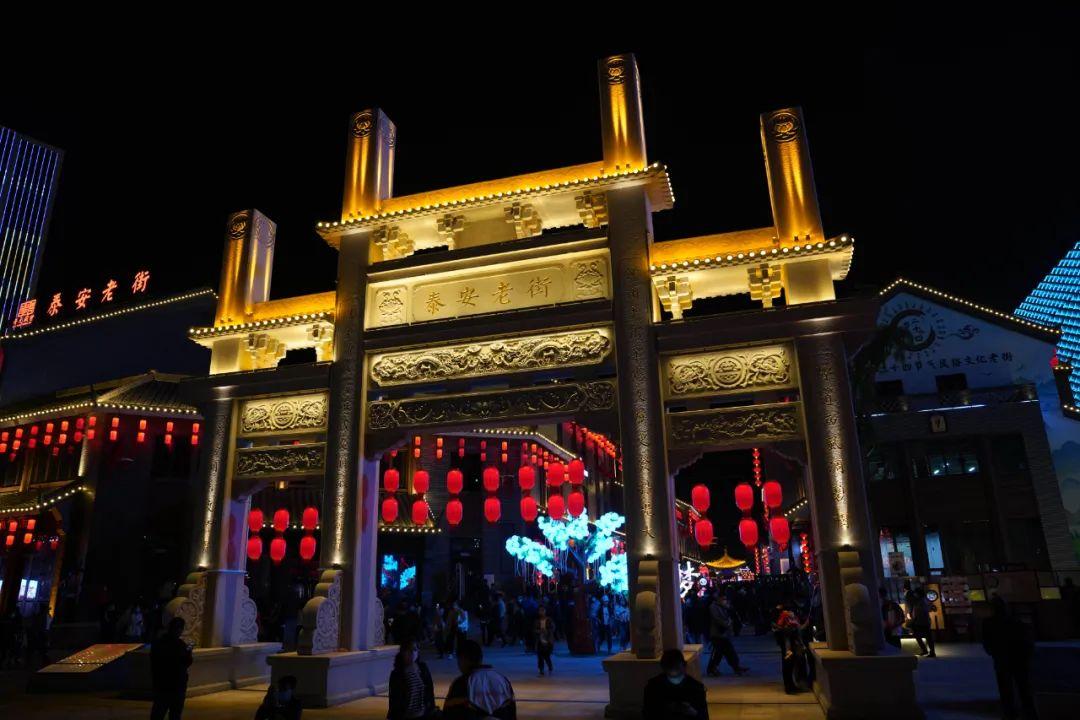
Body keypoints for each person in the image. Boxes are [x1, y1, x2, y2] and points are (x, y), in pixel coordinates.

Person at [982, 595, 1037, 720]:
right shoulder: (1016, 621)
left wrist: (993, 652)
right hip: (1018, 659)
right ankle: (1029, 713)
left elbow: (987, 642)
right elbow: (1027, 640)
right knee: (1024, 688)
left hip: (1002, 659)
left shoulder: (989, 623)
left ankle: (1010, 713)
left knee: (1006, 689)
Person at [443, 639, 516, 720]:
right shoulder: (503, 680)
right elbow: (511, 712)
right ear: (481, 658)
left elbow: (449, 714)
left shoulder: (461, 683)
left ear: (462, 659)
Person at [643, 648, 709, 719]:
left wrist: (693, 712)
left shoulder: (696, 688)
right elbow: (647, 714)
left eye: (676, 668)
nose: (674, 677)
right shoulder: (653, 687)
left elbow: (704, 716)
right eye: (671, 667)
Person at [150, 617, 193, 720]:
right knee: (172, 713)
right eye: (180, 628)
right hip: (174, 684)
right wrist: (188, 652)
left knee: (160, 713)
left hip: (164, 684)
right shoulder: (179, 645)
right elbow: (186, 662)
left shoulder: (159, 643)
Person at [387, 639, 436, 720]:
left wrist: (432, 708)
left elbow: (430, 690)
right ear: (403, 652)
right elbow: (394, 700)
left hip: (423, 715)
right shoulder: (397, 674)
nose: (412, 653)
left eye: (415, 649)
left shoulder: (422, 668)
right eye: (409, 650)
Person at [706, 593, 748, 677]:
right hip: (717, 634)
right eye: (723, 599)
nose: (725, 601)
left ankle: (736, 667)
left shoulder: (723, 607)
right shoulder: (713, 607)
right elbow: (717, 619)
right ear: (718, 599)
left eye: (725, 599)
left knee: (730, 651)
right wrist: (727, 624)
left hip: (724, 634)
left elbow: (729, 615)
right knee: (717, 653)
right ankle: (712, 669)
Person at [908, 588, 936, 657]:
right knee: (927, 636)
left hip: (921, 621)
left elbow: (920, 612)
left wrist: (914, 620)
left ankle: (928, 651)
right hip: (923, 621)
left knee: (921, 636)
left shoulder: (921, 601)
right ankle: (929, 651)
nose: (914, 595)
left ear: (918, 594)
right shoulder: (923, 600)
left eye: (915, 593)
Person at [534, 605, 555, 676]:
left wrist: (547, 631)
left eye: (542, 610)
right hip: (540, 640)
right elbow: (534, 630)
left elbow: (553, 628)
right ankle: (541, 669)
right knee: (540, 655)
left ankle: (549, 665)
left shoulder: (549, 620)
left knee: (546, 655)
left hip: (548, 640)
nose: (541, 612)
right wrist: (539, 631)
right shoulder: (537, 621)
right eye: (540, 610)